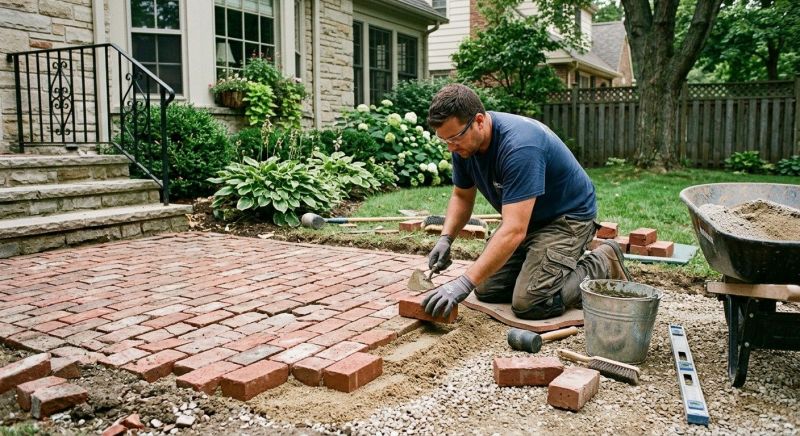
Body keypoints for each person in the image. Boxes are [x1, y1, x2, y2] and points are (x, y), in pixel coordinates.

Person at [421, 84, 631, 320]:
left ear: (479, 121)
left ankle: (602, 261)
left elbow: (513, 230)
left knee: (530, 303)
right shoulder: (464, 147)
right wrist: (446, 239)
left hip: (566, 219)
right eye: (444, 140)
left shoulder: (520, 146)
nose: (451, 147)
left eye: (455, 138)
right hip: (527, 217)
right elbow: (462, 195)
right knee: (486, 289)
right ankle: (539, 271)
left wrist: (462, 283)